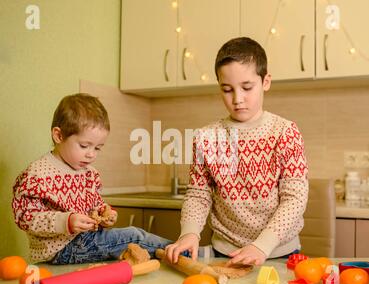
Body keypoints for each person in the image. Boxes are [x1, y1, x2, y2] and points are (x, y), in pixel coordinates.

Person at [165, 37, 309, 266]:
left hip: (279, 252)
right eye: (227, 89)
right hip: (225, 252)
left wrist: (262, 246)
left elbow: (295, 199)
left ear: (266, 82)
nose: (237, 99)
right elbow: (198, 194)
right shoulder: (206, 137)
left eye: (247, 87)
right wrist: (189, 233)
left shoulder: (285, 132)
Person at [12, 93, 171, 264]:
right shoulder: (37, 174)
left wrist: (105, 214)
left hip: (85, 241)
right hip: (60, 249)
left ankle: (179, 251)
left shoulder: (89, 173)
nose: (91, 154)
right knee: (134, 236)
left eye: (98, 148)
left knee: (132, 248)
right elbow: (25, 217)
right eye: (84, 146)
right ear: (59, 136)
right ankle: (182, 252)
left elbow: (94, 207)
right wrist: (66, 221)